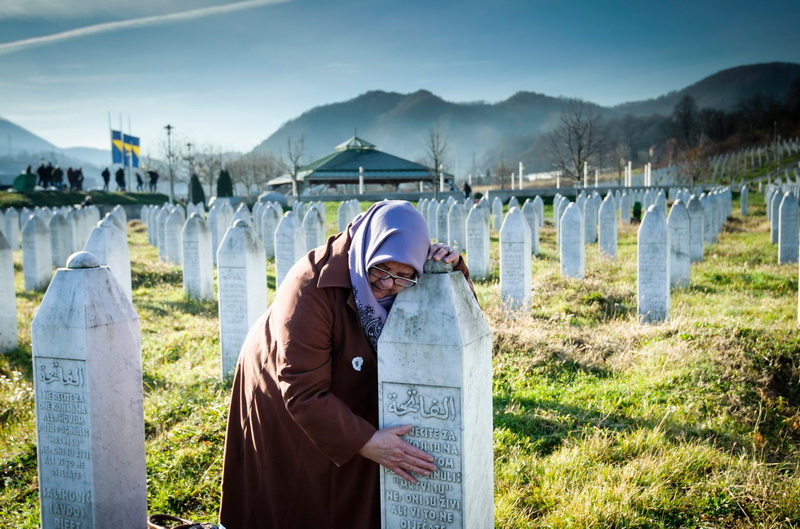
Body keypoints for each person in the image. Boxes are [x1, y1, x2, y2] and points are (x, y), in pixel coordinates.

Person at [219, 200, 472, 529]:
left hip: (348, 382)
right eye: (380, 269)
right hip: (282, 389)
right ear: (369, 249)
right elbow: (301, 388)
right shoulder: (311, 285)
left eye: (403, 277)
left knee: (355, 485)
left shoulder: (409, 274)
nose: (386, 284)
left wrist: (452, 270)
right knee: (297, 487)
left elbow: (457, 324)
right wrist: (366, 441)